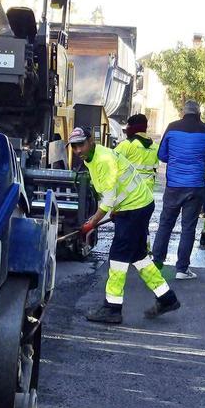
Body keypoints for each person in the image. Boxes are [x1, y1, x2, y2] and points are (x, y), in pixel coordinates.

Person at [71, 127, 181, 324]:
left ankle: (112, 309)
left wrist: (92, 223)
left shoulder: (102, 160)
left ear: (90, 141)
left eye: (81, 144)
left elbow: (109, 199)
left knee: (118, 258)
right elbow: (113, 193)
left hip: (135, 208)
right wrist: (114, 211)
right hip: (135, 205)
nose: (78, 150)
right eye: (74, 146)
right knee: (139, 257)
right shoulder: (93, 159)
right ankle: (167, 298)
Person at [150, 100, 205, 280]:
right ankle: (182, 269)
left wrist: (176, 159)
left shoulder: (172, 128)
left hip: (174, 186)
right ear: (199, 114)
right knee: (188, 228)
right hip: (196, 187)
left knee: (165, 224)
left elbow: (162, 155)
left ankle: (156, 264)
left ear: (183, 112)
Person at [115, 114, 159, 188]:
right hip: (147, 191)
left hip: (130, 190)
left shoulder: (127, 144)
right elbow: (155, 168)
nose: (126, 128)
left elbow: (110, 162)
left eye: (128, 125)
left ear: (132, 128)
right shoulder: (155, 147)